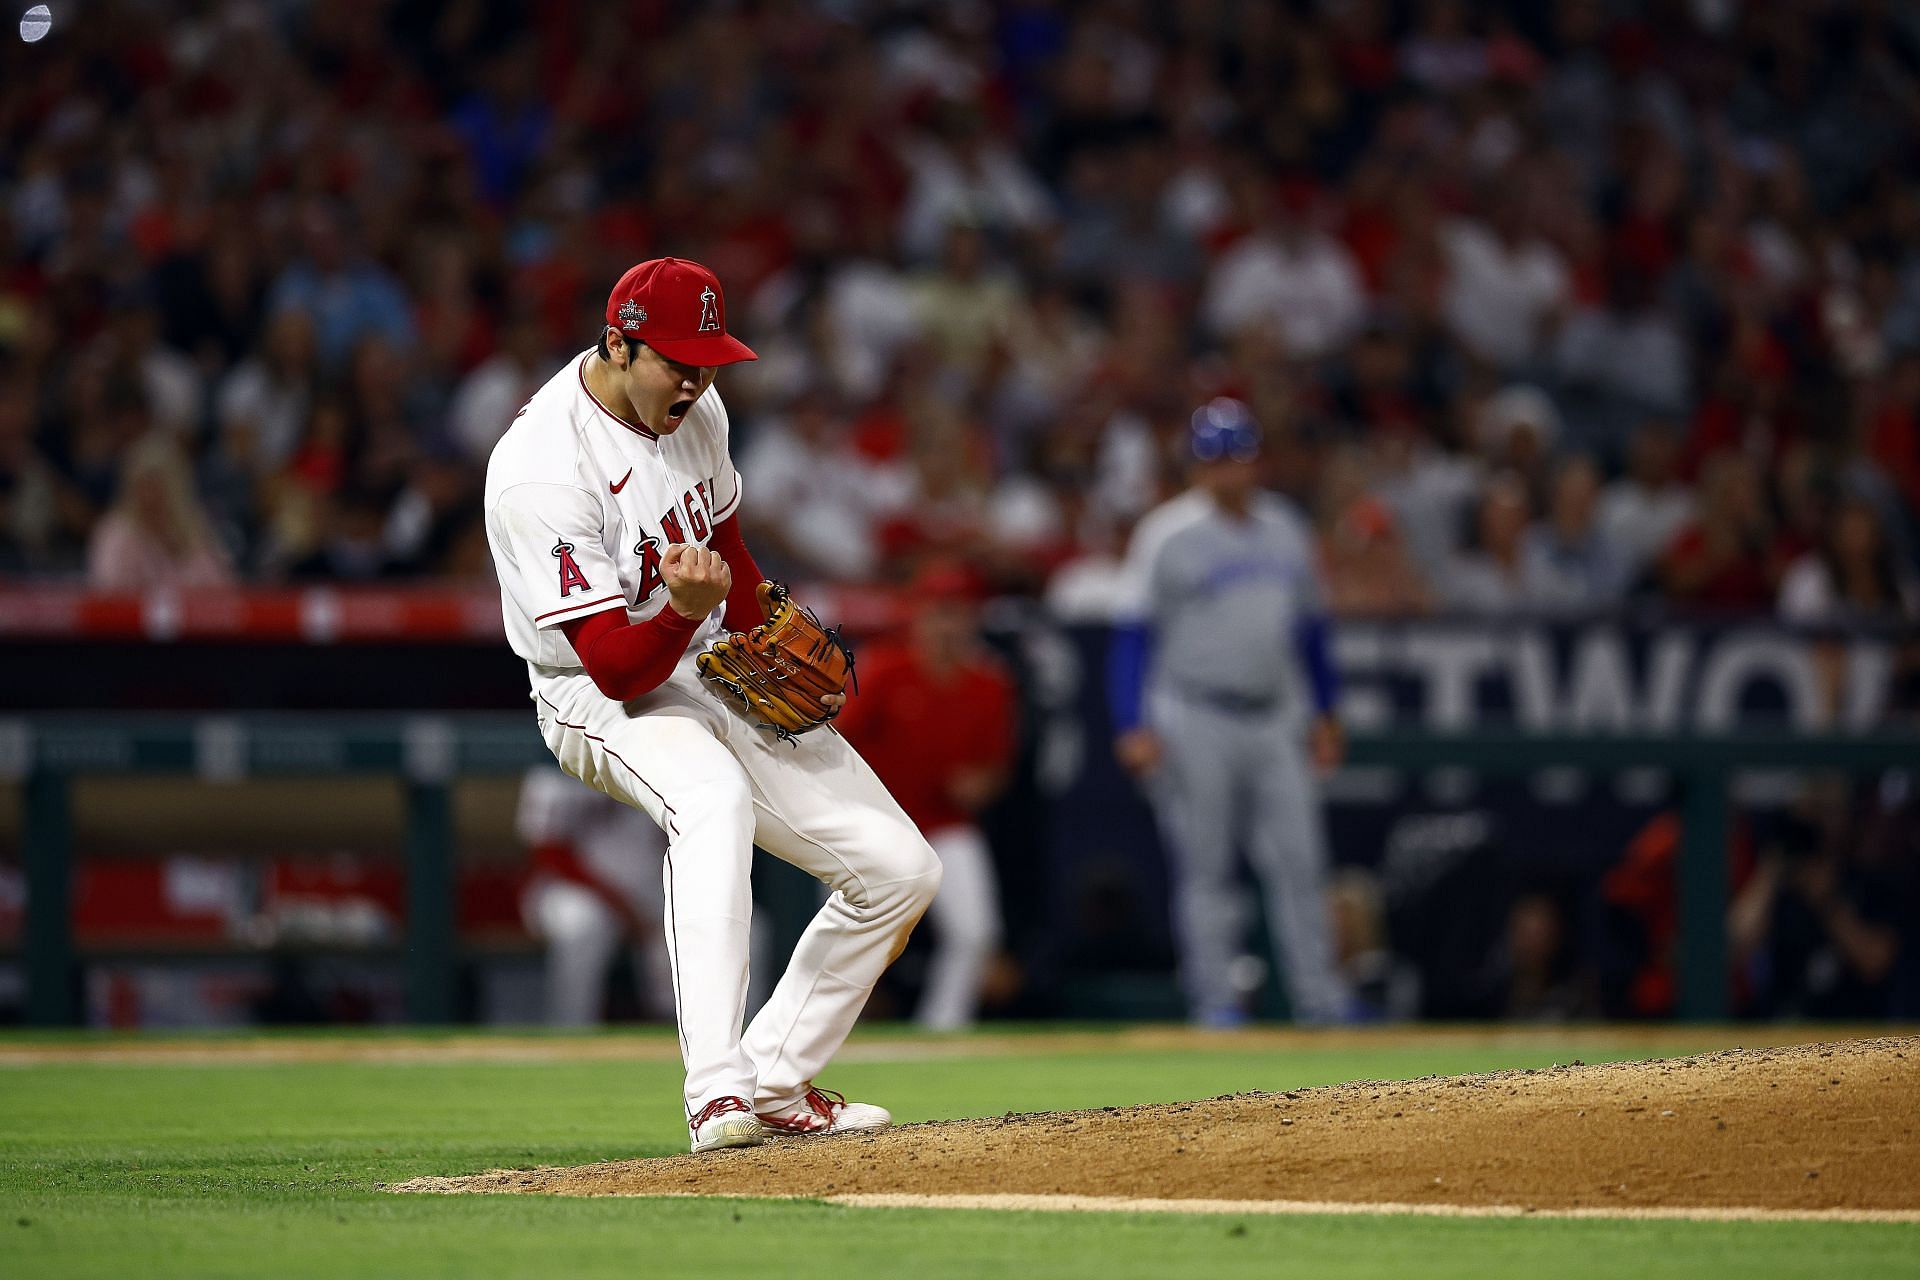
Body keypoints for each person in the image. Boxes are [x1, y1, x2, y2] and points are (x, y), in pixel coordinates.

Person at [482, 257, 941, 1154]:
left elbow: (724, 537)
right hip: (589, 690)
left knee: (900, 871)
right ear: (617, 343)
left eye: (709, 362)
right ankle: (717, 1093)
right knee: (711, 798)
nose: (696, 381)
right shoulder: (541, 470)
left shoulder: (701, 408)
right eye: (677, 363)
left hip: (700, 656)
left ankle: (775, 1080)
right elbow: (614, 669)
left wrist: (760, 633)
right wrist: (691, 614)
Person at [1108, 398, 1349, 1026]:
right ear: (1196, 466)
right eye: (1214, 459)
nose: (1226, 471)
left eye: (1237, 457)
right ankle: (1215, 999)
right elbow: (1133, 635)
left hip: (1275, 713)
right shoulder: (1167, 533)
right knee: (1206, 864)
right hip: (1196, 714)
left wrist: (1327, 710)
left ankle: (1320, 999)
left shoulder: (1286, 528)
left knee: (1301, 859)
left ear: (1255, 462)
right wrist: (1132, 722)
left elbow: (1312, 632)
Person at [834, 564, 1017, 1031]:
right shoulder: (885, 668)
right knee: (847, 938)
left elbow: (996, 769)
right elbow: (835, 742)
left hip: (945, 824)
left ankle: (943, 1030)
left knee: (975, 934)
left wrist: (981, 784)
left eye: (958, 613)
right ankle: (826, 1035)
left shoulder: (989, 683)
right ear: (917, 615)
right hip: (876, 822)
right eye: (938, 612)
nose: (948, 624)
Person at [516, 766, 673, 1026]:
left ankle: (693, 1039)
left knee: (735, 929)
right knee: (584, 926)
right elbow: (549, 855)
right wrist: (623, 907)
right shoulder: (550, 770)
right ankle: (571, 1033)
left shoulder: (657, 760)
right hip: (570, 891)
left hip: (649, 887)